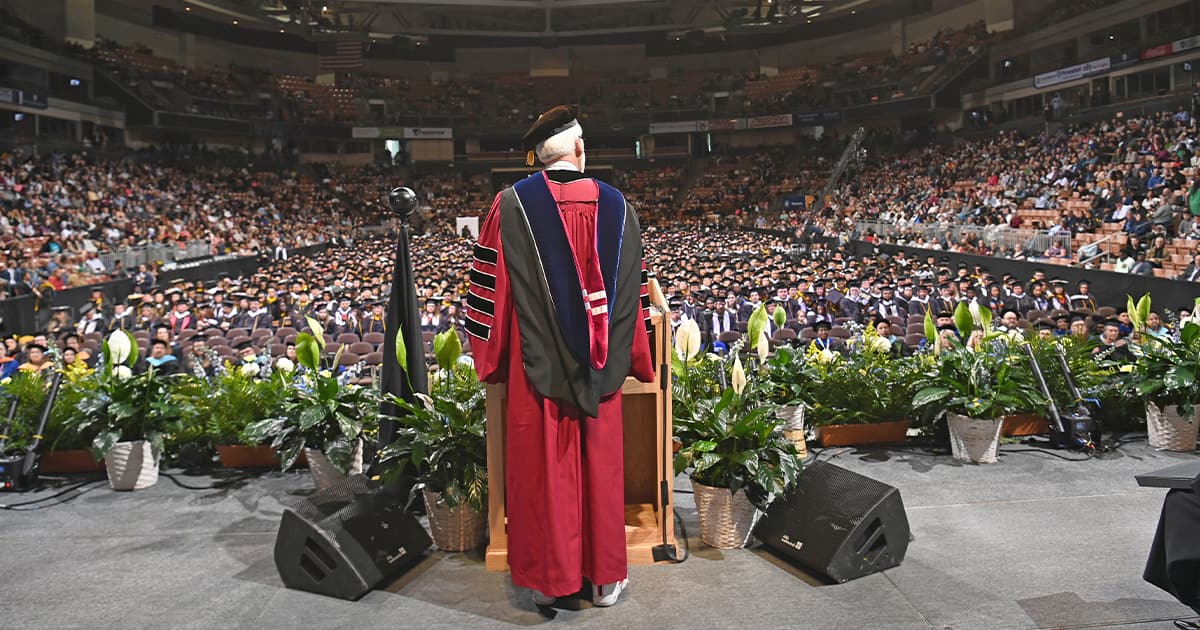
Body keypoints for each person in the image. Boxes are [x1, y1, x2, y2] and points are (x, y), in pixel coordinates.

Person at [466, 105, 654, 608]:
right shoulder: (618, 207)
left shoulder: (509, 206)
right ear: (579, 150)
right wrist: (631, 358)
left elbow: (492, 295)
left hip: (537, 373)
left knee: (548, 476)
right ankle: (605, 579)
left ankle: (553, 583)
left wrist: (492, 359)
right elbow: (631, 298)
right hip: (601, 371)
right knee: (600, 468)